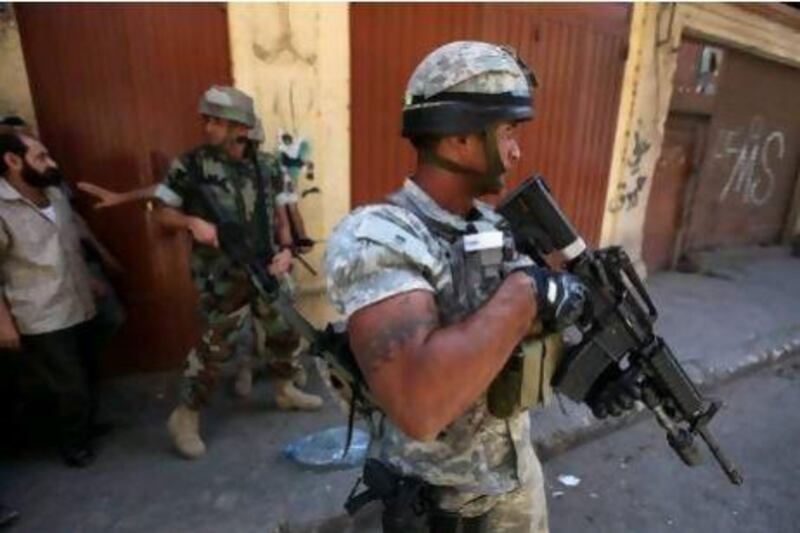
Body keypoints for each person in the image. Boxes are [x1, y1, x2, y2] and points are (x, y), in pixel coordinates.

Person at [325, 41, 594, 532]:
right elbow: (419, 403)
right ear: (459, 139)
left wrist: (589, 374)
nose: (517, 149)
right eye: (509, 131)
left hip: (515, 489)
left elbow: (506, 346)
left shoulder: (491, 226)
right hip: (439, 510)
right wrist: (529, 292)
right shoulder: (379, 237)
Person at [78, 86, 323, 460]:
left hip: (264, 265)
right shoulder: (189, 166)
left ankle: (285, 389)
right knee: (215, 348)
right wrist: (190, 221)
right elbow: (160, 211)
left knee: (283, 330)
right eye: (206, 119)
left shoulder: (267, 165)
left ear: (239, 126)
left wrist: (286, 251)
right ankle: (185, 415)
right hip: (221, 274)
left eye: (216, 120)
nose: (207, 126)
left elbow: (277, 214)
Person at [0, 132, 106, 467]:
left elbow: (66, 244)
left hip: (77, 301)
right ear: (12, 161)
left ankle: (87, 426)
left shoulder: (54, 193)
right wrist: (3, 323)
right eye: (41, 157)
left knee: (87, 372)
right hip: (40, 314)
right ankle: (73, 445)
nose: (52, 163)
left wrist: (88, 278)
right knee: (69, 385)